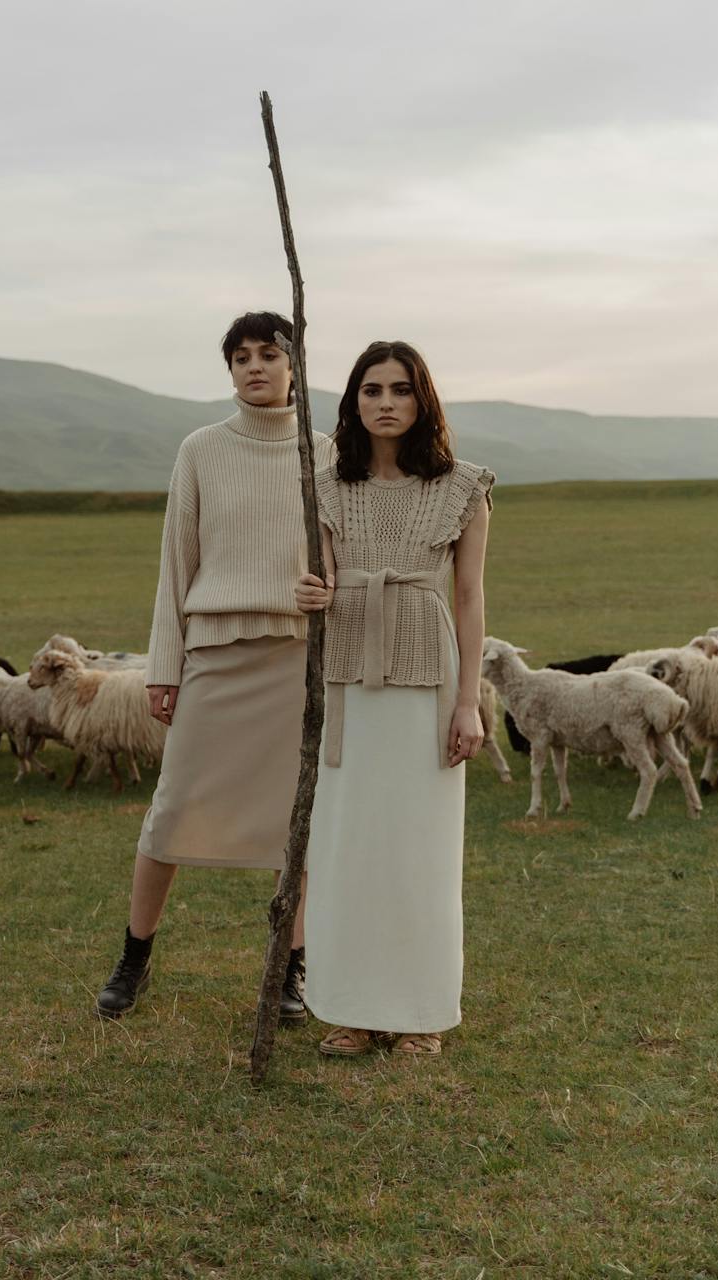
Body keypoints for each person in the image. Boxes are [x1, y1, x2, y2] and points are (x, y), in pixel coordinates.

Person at [94, 311, 331, 1021]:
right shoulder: (200, 449)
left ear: (295, 364)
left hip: (295, 660)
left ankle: (291, 969)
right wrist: (163, 668)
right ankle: (134, 958)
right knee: (170, 814)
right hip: (213, 658)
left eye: (269, 354)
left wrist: (329, 593)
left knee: (299, 824)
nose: (254, 367)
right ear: (229, 370)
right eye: (241, 358)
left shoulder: (324, 451)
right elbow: (176, 566)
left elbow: (343, 558)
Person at [293, 340, 492, 1057]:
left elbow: (468, 598)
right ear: (352, 402)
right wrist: (309, 591)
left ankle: (419, 1013)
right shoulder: (323, 482)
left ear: (422, 400)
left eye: (400, 390)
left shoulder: (463, 487)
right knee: (348, 847)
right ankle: (352, 1008)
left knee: (418, 849)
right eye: (371, 390)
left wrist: (468, 703)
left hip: (426, 680)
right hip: (347, 679)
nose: (385, 402)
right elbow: (315, 578)